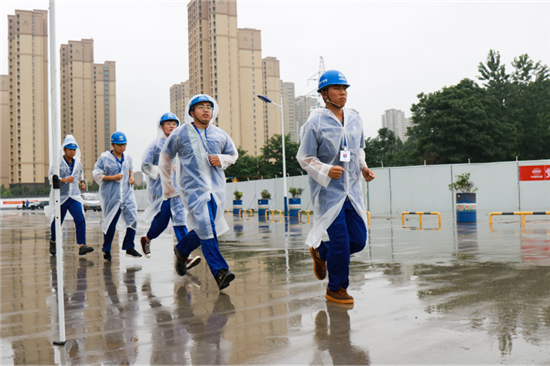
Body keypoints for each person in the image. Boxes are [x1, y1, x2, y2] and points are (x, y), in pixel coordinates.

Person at [297, 70, 376, 305]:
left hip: (352, 190)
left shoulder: (355, 119)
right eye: (336, 89)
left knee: (358, 240)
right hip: (329, 192)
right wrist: (325, 170)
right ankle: (336, 288)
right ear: (324, 93)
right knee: (341, 242)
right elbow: (305, 157)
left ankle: (322, 252)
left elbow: (357, 150)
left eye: (345, 89)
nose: (342, 93)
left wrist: (363, 168)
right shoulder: (315, 122)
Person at [159, 94, 238, 290]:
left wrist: (222, 159)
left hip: (217, 190)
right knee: (206, 225)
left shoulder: (220, 134)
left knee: (206, 228)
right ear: (191, 112)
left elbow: (233, 155)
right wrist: (168, 187)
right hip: (193, 191)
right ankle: (220, 271)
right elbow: (166, 158)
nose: (205, 110)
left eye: (209, 107)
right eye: (200, 107)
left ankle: (182, 249)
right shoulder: (180, 133)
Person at [140, 112, 201, 269]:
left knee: (180, 221)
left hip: (178, 190)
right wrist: (162, 169)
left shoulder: (180, 145)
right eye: (168, 123)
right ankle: (146, 239)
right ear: (161, 127)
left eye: (174, 123)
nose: (171, 126)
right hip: (161, 192)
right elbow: (145, 166)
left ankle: (184, 256)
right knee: (161, 222)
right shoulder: (155, 146)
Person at [93, 131, 142, 261]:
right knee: (110, 223)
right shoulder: (105, 159)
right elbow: (96, 175)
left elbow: (130, 168)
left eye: (124, 145)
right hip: (112, 195)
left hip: (126, 194)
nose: (122, 147)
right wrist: (112, 177)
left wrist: (131, 177)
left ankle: (129, 246)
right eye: (119, 145)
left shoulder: (127, 157)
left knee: (133, 218)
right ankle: (107, 249)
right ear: (113, 145)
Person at [45, 135, 93, 256]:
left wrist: (82, 182)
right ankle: (53, 241)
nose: (72, 152)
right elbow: (51, 178)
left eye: (74, 149)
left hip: (74, 196)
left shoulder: (78, 163)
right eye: (70, 149)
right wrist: (64, 180)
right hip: (61, 197)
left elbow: (80, 173)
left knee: (80, 218)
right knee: (57, 221)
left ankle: (82, 245)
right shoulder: (57, 163)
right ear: (64, 149)